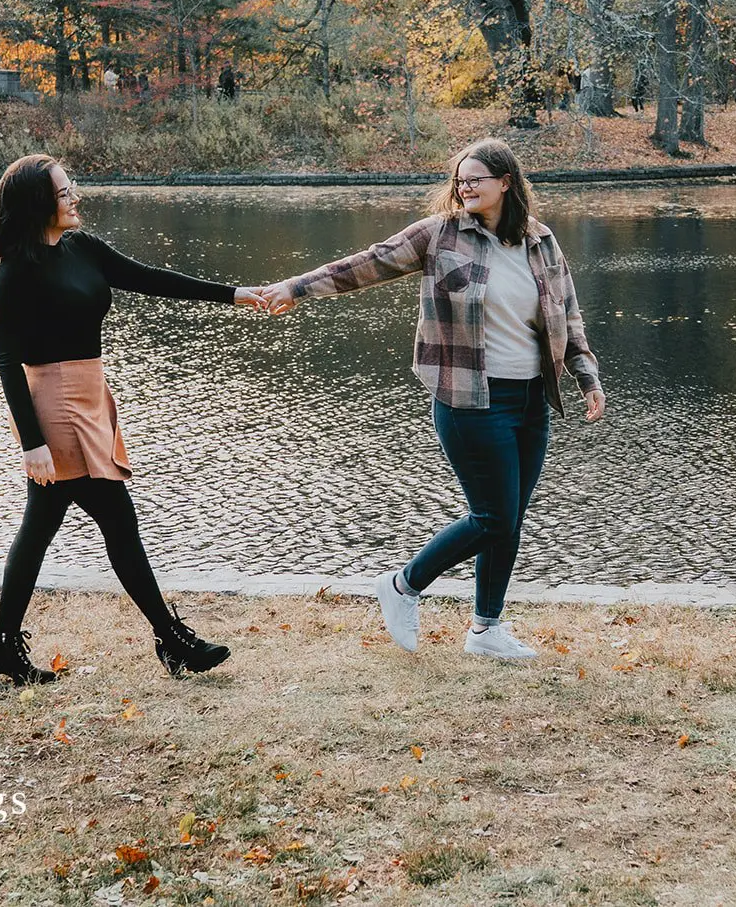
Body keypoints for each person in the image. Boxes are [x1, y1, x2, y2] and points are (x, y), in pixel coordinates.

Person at [258, 138, 606, 660]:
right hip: (469, 397)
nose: (463, 188)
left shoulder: (540, 240)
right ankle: (402, 585)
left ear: (505, 183)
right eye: (459, 180)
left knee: (509, 519)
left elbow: (567, 314)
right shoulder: (440, 235)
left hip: (531, 398)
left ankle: (486, 629)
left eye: (475, 180)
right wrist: (296, 287)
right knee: (492, 516)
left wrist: (587, 375)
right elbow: (366, 264)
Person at [0, 154, 267, 687]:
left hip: (90, 395)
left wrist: (232, 295)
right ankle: (172, 640)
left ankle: (1, 648)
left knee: (43, 526)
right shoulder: (17, 273)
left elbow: (150, 278)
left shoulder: (81, 249)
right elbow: (6, 362)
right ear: (40, 202)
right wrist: (31, 442)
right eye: (65, 193)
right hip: (56, 406)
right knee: (114, 519)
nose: (75, 197)